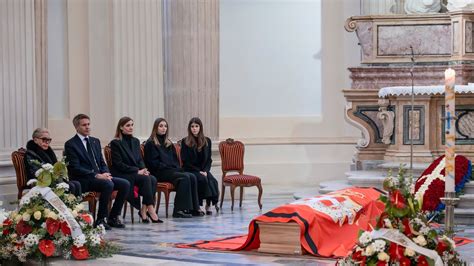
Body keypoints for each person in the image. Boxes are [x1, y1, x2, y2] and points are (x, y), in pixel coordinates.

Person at [64, 114, 130, 230]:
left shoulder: (95, 141)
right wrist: (96, 175)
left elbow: (101, 162)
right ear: (77, 127)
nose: (88, 127)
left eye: (89, 124)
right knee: (108, 184)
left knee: (125, 184)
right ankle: (100, 220)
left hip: (100, 177)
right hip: (83, 179)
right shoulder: (71, 144)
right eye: (84, 125)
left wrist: (106, 174)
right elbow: (75, 167)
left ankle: (113, 217)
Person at [144, 118, 204, 218]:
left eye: (165, 126)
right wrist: (170, 168)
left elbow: (175, 161)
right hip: (159, 172)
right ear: (156, 128)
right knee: (184, 178)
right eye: (161, 126)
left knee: (192, 176)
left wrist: (176, 168)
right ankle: (178, 210)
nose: (164, 128)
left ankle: (193, 208)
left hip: (171, 171)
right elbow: (153, 163)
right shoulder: (151, 143)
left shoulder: (168, 143)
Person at [109, 117, 162, 223]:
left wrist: (143, 169)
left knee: (152, 178)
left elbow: (139, 159)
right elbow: (118, 164)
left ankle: (143, 210)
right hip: (122, 173)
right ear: (121, 127)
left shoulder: (135, 141)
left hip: (135, 172)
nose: (131, 127)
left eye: (132, 125)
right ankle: (150, 209)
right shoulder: (116, 143)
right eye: (128, 125)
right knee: (146, 179)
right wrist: (136, 171)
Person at [24, 128, 82, 197]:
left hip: (53, 179)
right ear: (35, 140)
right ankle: (67, 206)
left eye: (48, 140)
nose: (47, 142)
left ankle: (75, 206)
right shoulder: (30, 154)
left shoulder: (48, 152)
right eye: (44, 139)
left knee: (77, 184)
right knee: (71, 186)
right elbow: (35, 172)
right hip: (42, 182)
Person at [180, 117, 219, 215]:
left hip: (203, 170)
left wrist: (205, 171)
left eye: (196, 126)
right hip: (190, 169)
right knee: (202, 179)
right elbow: (185, 161)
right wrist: (199, 171)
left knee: (212, 180)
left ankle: (209, 204)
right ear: (189, 128)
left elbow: (209, 160)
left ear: (200, 127)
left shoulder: (207, 141)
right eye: (192, 126)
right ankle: (198, 205)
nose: (194, 128)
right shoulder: (185, 141)